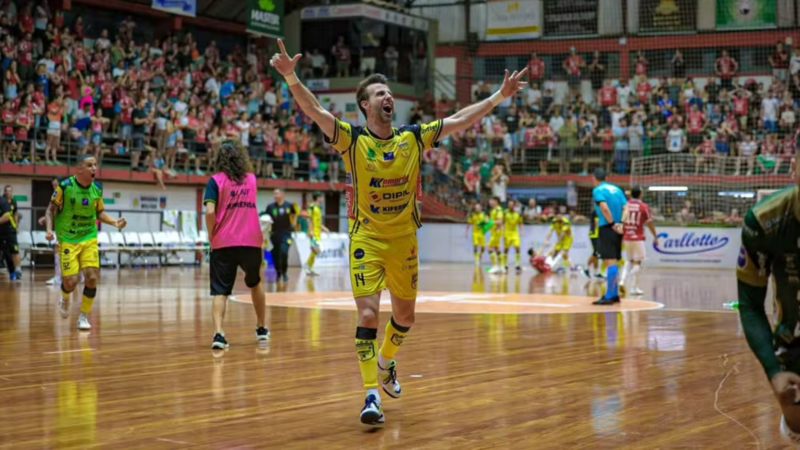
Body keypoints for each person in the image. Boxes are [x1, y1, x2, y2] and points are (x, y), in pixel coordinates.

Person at [269, 38, 526, 425]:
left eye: (389, 92)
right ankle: (371, 396)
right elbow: (314, 109)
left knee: (405, 318)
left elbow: (459, 120)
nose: (387, 96)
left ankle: (387, 361)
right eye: (379, 93)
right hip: (366, 239)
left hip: (404, 240)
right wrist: (291, 77)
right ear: (365, 106)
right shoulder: (351, 139)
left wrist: (498, 96)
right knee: (369, 314)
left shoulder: (412, 137)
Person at [737, 162, 800, 444]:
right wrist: (773, 370)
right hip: (794, 342)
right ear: (794, 168)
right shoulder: (764, 221)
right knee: (796, 426)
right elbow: (750, 306)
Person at [45, 154, 127, 330]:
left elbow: (99, 213)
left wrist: (114, 222)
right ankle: (65, 297)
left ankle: (83, 316)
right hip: (67, 239)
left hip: (89, 237)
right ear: (79, 169)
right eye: (90, 165)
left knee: (91, 277)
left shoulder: (97, 188)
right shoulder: (65, 187)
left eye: (95, 165)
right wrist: (49, 229)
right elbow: (50, 210)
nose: (94, 168)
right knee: (71, 282)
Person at [203, 140, 269, 350]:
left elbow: (210, 211)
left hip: (223, 241)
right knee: (255, 282)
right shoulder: (251, 179)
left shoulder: (215, 181)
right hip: (251, 240)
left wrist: (211, 235)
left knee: (220, 291)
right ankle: (260, 328)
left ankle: (219, 335)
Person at [591, 168, 627, 305]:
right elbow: (626, 207)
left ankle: (610, 295)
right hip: (618, 227)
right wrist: (621, 223)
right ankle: (614, 293)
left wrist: (611, 223)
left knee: (609, 261)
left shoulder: (598, 190)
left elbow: (604, 208)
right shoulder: (617, 189)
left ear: (594, 178)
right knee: (613, 261)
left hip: (607, 227)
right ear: (606, 177)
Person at [619, 187, 659, 296]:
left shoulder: (625, 205)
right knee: (637, 262)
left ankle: (622, 281)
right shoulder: (644, 207)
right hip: (638, 237)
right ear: (640, 194)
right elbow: (650, 223)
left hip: (626, 236)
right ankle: (632, 287)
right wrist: (655, 236)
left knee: (628, 260)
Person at [264, 189, 299, 284]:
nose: (275, 195)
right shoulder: (270, 207)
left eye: (276, 193)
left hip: (286, 233)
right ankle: (278, 272)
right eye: (274, 193)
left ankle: (284, 273)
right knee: (275, 255)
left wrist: (294, 224)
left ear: (282, 194)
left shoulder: (289, 205)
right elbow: (266, 219)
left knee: (284, 252)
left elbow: (295, 214)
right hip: (274, 234)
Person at [304, 192, 329, 277]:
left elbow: (317, 221)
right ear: (318, 198)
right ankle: (307, 265)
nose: (322, 199)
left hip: (318, 232)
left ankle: (310, 267)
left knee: (315, 250)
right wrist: (310, 231)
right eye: (321, 197)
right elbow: (309, 220)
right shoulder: (311, 207)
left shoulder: (318, 208)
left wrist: (323, 228)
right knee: (315, 249)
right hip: (313, 233)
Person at [2, 185, 20, 280]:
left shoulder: (13, 202)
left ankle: (18, 270)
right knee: (5, 251)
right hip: (2, 230)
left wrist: (16, 226)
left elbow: (15, 214)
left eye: (10, 191)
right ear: (4, 192)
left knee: (15, 250)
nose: (9, 193)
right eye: (7, 191)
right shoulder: (2, 201)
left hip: (11, 230)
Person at [503, 199, 523, 273]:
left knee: (517, 248)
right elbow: (502, 222)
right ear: (508, 205)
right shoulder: (505, 213)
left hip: (515, 233)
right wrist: (502, 231)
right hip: (507, 233)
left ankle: (517, 265)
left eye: (512, 204)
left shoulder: (518, 214)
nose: (510, 206)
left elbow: (520, 223)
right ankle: (505, 265)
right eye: (509, 204)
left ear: (514, 205)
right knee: (506, 249)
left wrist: (521, 231)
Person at [0, 194, 18, 278]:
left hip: (7, 232)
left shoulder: (3, 201)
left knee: (8, 253)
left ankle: (13, 272)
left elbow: (6, 217)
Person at [487, 196, 505, 274]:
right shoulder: (493, 210)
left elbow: (500, 222)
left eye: (491, 200)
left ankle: (495, 266)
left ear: (496, 201)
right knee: (497, 249)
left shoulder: (498, 209)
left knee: (489, 248)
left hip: (497, 232)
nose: (490, 202)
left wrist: (490, 221)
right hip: (494, 232)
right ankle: (502, 267)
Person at [583, 210, 603, 279]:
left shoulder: (598, 210)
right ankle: (586, 268)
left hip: (595, 234)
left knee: (596, 253)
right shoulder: (597, 211)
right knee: (596, 252)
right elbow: (597, 223)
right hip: (595, 234)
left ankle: (596, 272)